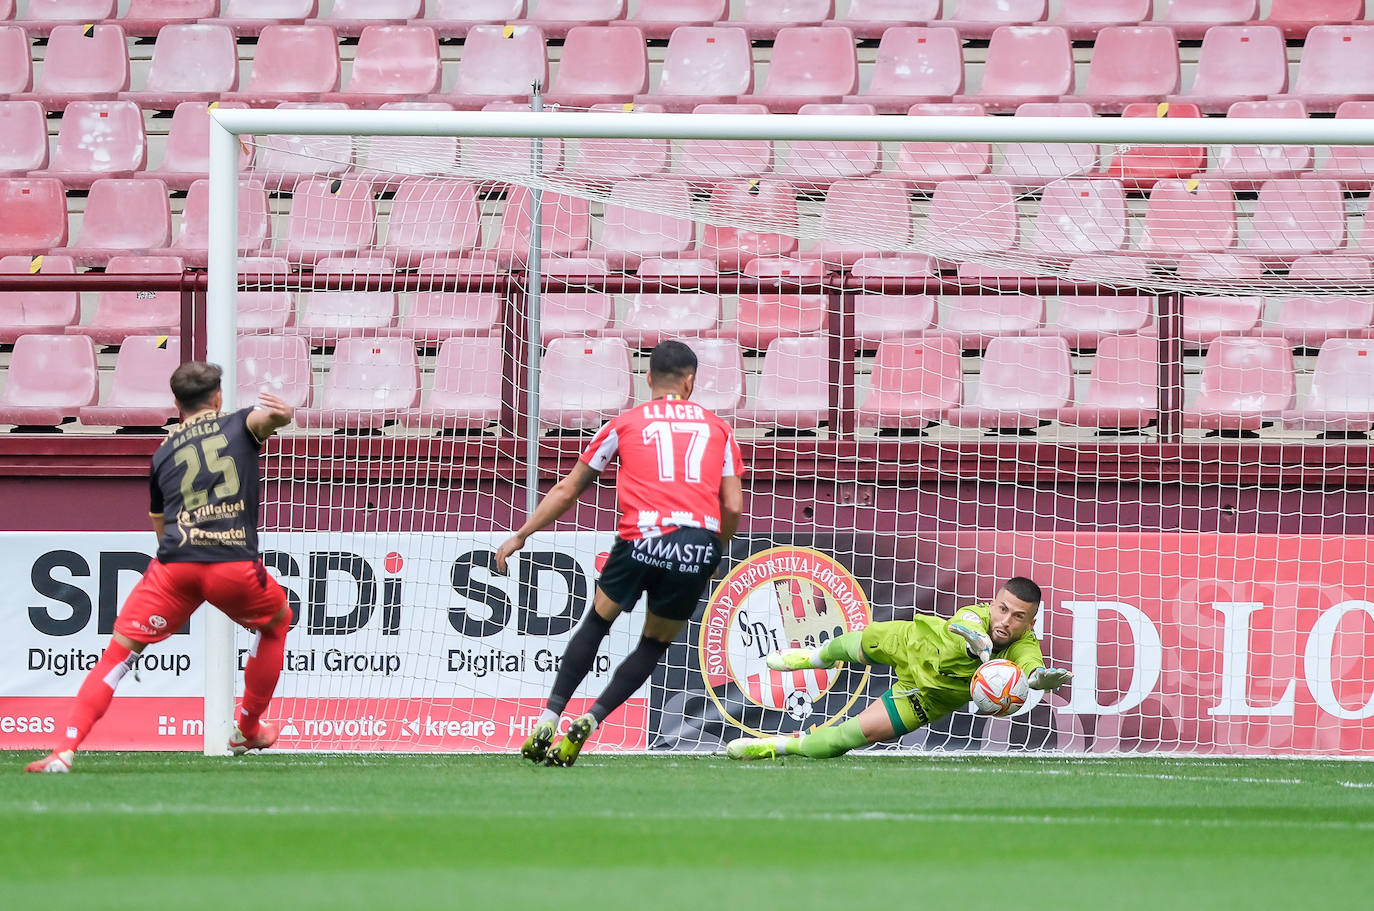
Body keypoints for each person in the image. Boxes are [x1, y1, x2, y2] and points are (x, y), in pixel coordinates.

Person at [25, 362, 295, 773]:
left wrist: (180, 570)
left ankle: (64, 749)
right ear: (218, 397)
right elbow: (271, 417)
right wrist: (285, 413)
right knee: (277, 620)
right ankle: (248, 727)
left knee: (116, 654)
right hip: (231, 562)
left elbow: (159, 523)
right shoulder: (239, 426)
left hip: (174, 565)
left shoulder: (164, 452)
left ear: (176, 404)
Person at [495, 340, 744, 767]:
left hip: (641, 539)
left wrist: (521, 535)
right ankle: (589, 722)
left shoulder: (624, 424)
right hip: (696, 543)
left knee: (597, 621)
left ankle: (550, 716)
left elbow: (568, 488)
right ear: (691, 382)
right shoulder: (718, 429)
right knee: (653, 644)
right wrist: (714, 549)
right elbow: (734, 505)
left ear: (647, 378)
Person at [724, 577, 1073, 761]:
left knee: (844, 740)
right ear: (993, 602)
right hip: (912, 644)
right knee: (850, 646)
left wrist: (1035, 678)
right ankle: (815, 658)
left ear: (1030, 622)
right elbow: (965, 623)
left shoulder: (1025, 644)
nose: (1005, 620)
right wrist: (977, 642)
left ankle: (778, 746)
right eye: (1002, 609)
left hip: (925, 697)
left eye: (1018, 617)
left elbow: (1030, 666)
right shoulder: (976, 615)